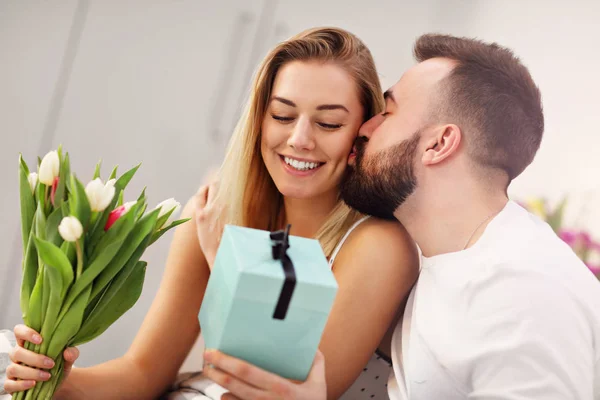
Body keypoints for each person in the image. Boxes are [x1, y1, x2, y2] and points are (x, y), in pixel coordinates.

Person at [3, 27, 419, 399]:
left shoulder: (378, 247)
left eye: (328, 124)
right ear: (259, 120)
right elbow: (142, 373)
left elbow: (276, 388)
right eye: (282, 115)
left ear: (362, 132)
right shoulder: (217, 215)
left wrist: (226, 264)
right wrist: (57, 380)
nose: (299, 139)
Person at [195, 33, 600, 399]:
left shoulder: (523, 299)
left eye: (387, 114)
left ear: (439, 143)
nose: (364, 128)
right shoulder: (443, 261)